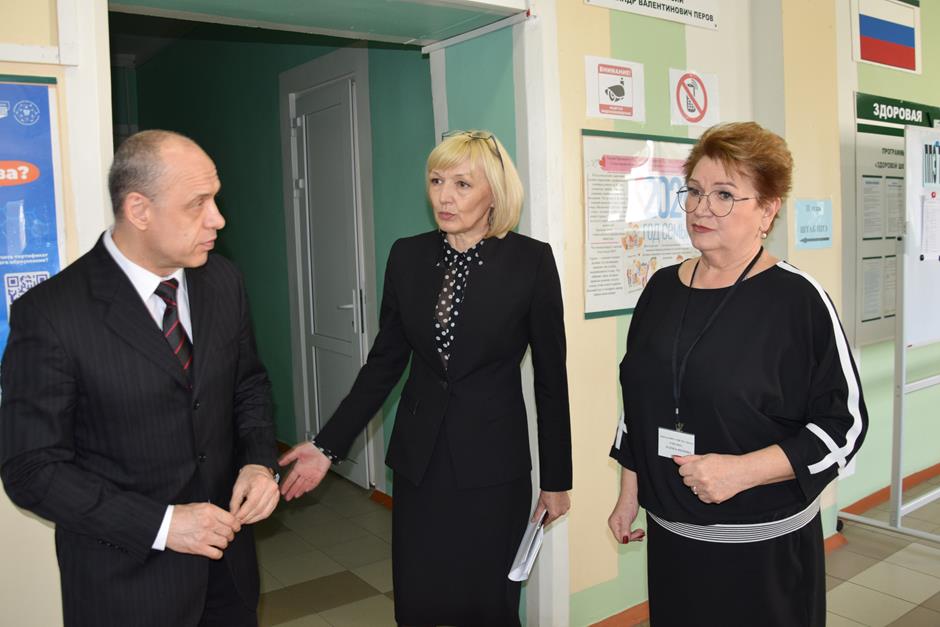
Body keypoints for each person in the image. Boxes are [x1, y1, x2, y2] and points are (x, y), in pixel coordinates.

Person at [278, 129, 572, 626]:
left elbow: (550, 378)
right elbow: (384, 363)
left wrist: (556, 480)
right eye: (437, 181)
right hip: (420, 461)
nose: (444, 197)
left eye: (462, 184)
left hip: (493, 465)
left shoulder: (530, 262)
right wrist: (327, 445)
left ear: (495, 193)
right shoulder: (408, 256)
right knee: (419, 599)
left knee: (488, 604)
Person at [1, 130, 280, 627]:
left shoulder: (223, 281)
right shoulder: (52, 314)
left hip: (228, 575)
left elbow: (248, 387)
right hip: (127, 585)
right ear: (139, 210)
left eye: (215, 198)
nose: (218, 219)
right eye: (198, 204)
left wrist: (259, 463)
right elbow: (32, 469)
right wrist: (164, 524)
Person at [608, 122, 868, 626]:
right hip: (673, 543)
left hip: (763, 552)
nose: (701, 208)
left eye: (725, 195)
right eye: (694, 191)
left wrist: (742, 471)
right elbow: (638, 400)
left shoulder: (798, 301)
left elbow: (846, 425)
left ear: (767, 209)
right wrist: (629, 492)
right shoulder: (660, 290)